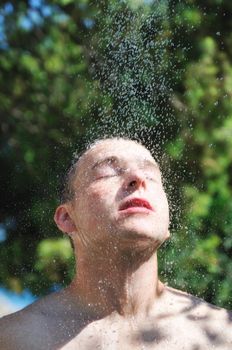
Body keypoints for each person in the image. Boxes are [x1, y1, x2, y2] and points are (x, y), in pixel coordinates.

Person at [0, 137, 231, 350]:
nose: (138, 179)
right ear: (67, 218)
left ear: (167, 222)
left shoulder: (222, 334)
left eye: (151, 175)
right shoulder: (16, 338)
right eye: (106, 173)